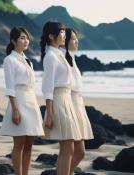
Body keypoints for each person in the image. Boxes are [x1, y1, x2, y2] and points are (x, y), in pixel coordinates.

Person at [0, 27, 44, 175]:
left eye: (27, 38)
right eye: (22, 38)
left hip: (31, 101)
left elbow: (32, 85)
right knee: (19, 144)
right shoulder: (9, 60)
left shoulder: (28, 61)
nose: (26, 41)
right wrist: (15, 109)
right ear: (13, 41)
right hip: (18, 101)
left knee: (29, 145)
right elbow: (10, 87)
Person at [40, 21, 82, 175]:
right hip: (58, 101)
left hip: (66, 101)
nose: (65, 35)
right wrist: (49, 113)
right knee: (67, 149)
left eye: (65, 32)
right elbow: (47, 88)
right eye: (62, 32)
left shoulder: (59, 54)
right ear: (51, 36)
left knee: (69, 149)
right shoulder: (51, 56)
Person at [62, 28, 94, 175]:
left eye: (77, 38)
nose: (77, 41)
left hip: (78, 103)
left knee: (80, 152)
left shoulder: (72, 58)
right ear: (65, 41)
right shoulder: (61, 58)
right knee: (68, 150)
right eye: (73, 39)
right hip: (69, 104)